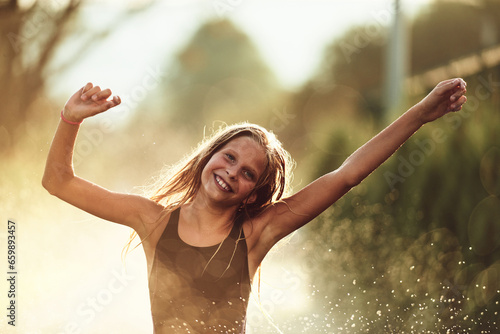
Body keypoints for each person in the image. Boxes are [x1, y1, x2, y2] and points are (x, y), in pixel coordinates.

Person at [42, 78, 467, 333]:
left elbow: (346, 174)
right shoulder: (151, 220)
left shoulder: (255, 233)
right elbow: (58, 182)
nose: (232, 172)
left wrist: (419, 114)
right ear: (210, 154)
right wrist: (70, 119)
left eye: (248, 173)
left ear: (253, 194)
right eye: (229, 157)